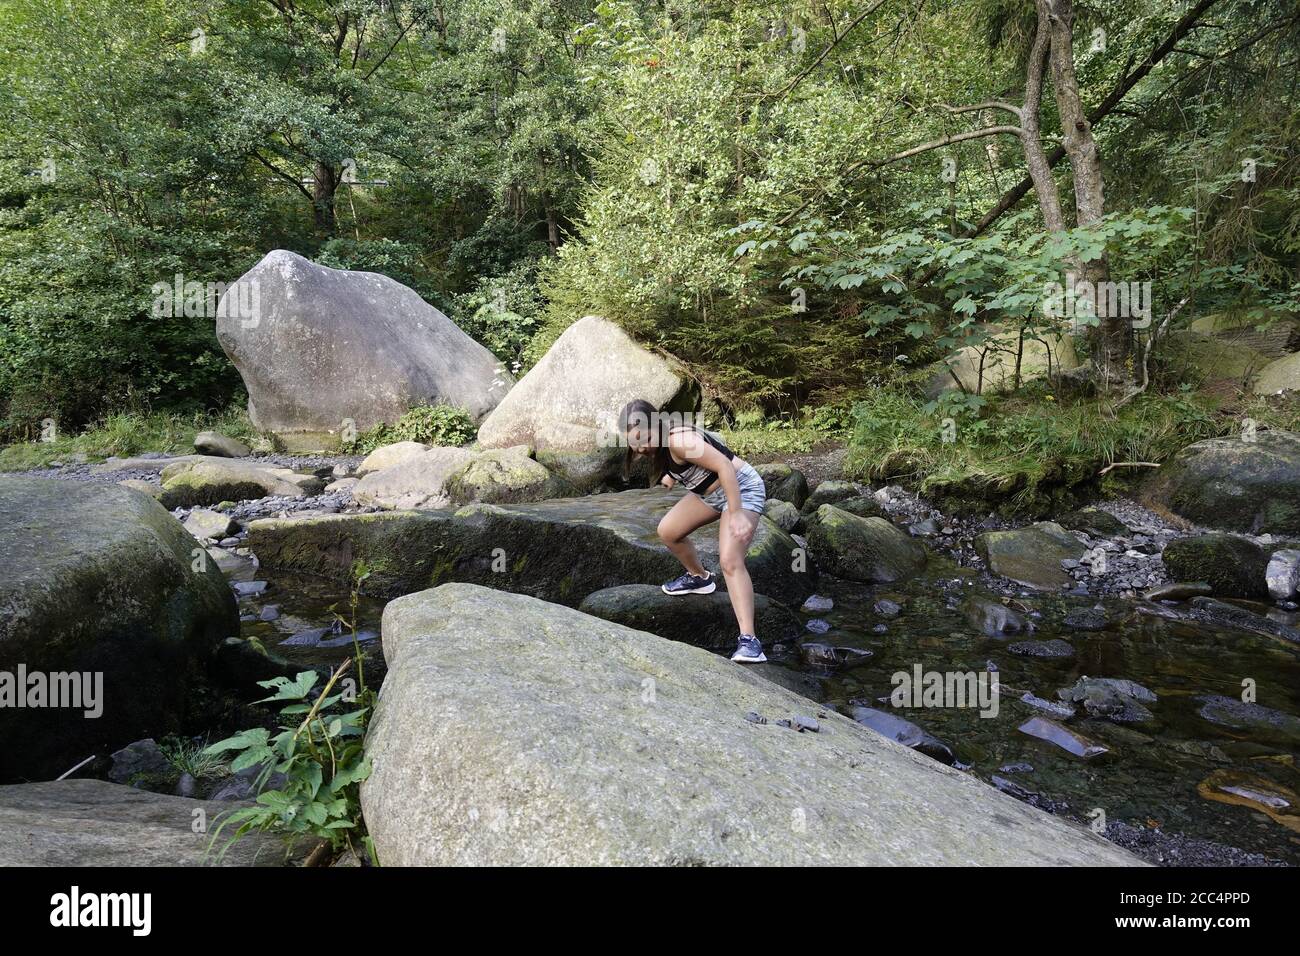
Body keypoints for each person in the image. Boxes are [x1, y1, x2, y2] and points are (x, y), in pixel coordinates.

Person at [618, 399, 769, 663]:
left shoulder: (678, 440)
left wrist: (735, 513)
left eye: (645, 438)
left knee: (730, 561)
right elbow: (689, 463)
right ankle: (700, 578)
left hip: (740, 488)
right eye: (635, 443)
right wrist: (670, 476)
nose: (641, 447)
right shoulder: (664, 446)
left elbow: (723, 466)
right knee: (668, 531)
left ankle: (750, 641)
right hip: (709, 494)